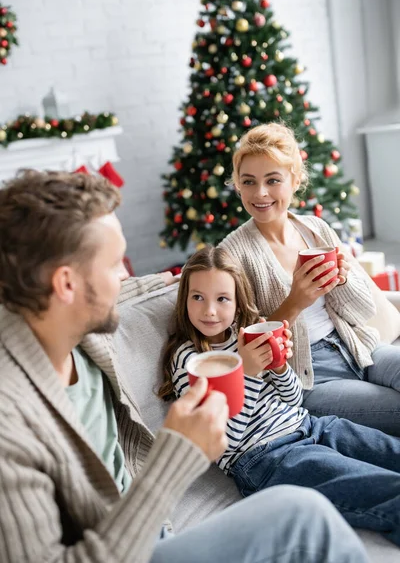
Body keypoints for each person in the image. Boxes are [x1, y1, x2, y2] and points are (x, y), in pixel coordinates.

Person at [0, 170, 369, 563]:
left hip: (151, 530)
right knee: (303, 515)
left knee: (306, 511)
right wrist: (177, 455)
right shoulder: (11, 427)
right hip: (125, 550)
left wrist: (180, 281)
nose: (126, 274)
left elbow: (135, 289)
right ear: (66, 285)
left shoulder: (65, 324)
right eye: (113, 265)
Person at [162, 245, 400, 547]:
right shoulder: (188, 361)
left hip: (312, 426)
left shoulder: (246, 334)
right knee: (388, 491)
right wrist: (247, 373)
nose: (210, 310)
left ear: (237, 303)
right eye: (198, 297)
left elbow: (293, 399)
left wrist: (277, 367)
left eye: (222, 299)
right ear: (185, 300)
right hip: (267, 457)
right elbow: (223, 444)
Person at [219, 122, 400, 437]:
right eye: (248, 182)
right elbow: (246, 353)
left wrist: (342, 281)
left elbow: (360, 313)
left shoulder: (315, 229)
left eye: (272, 180)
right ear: (237, 185)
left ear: (295, 180)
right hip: (308, 378)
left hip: (356, 347)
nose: (259, 193)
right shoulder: (232, 255)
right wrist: (295, 302)